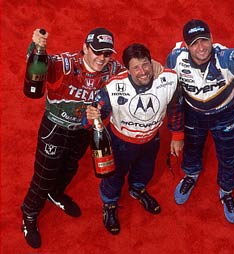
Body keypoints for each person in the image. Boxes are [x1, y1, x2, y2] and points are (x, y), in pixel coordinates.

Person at [21, 28, 162, 248]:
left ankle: (56, 195)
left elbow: (135, 71)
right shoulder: (64, 63)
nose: (102, 58)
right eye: (97, 52)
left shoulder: (113, 69)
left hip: (84, 130)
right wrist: (36, 45)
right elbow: (37, 65)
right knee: (44, 177)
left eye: (107, 54)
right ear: (85, 48)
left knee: (70, 168)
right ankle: (29, 215)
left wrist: (154, 66)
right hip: (55, 129)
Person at [166, 19, 234, 224]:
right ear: (187, 45)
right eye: (195, 43)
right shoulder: (175, 59)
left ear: (212, 39)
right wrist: (176, 132)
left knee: (229, 154)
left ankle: (226, 191)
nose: (201, 47)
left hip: (224, 115)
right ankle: (191, 175)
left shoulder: (224, 57)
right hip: (193, 114)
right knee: (192, 147)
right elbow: (169, 86)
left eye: (204, 40)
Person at [84, 43, 184, 235]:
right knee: (113, 177)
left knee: (146, 170)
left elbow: (176, 109)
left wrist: (177, 136)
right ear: (127, 70)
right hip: (120, 143)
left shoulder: (169, 79)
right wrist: (90, 116)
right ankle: (110, 204)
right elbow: (93, 116)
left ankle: (137, 189)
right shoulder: (113, 87)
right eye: (136, 67)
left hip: (151, 141)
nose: (143, 72)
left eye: (145, 64)